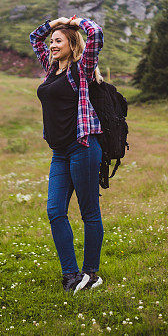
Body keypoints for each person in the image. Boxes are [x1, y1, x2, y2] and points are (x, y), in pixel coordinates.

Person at [30, 15, 105, 293]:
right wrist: (52, 24)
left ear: (72, 45)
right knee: (55, 211)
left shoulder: (80, 70)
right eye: (52, 42)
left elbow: (95, 34)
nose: (51, 45)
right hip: (59, 153)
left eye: (58, 41)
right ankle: (71, 275)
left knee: (89, 213)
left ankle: (91, 273)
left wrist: (74, 21)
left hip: (83, 148)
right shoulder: (52, 71)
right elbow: (34, 38)